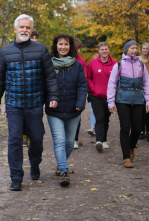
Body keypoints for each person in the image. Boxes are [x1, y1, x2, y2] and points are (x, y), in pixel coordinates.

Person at [0, 15, 59, 191]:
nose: (24, 30)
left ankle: (35, 164)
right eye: (21, 27)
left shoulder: (41, 49)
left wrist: (53, 96)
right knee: (14, 139)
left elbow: (50, 76)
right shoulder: (5, 51)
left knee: (36, 139)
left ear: (31, 30)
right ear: (15, 29)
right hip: (14, 104)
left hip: (35, 103)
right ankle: (16, 177)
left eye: (28, 28)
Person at [46, 34, 87, 186]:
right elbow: (44, 85)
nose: (63, 47)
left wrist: (80, 102)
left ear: (71, 47)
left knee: (69, 143)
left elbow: (83, 85)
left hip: (73, 109)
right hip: (54, 111)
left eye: (66, 44)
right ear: (55, 46)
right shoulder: (48, 64)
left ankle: (60, 163)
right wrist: (49, 99)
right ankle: (64, 171)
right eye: (60, 44)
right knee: (59, 140)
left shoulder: (76, 65)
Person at [107, 39, 149, 168]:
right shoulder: (119, 65)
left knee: (137, 128)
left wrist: (148, 100)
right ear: (126, 49)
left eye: (136, 48)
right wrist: (111, 102)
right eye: (132, 48)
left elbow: (146, 84)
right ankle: (126, 157)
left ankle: (132, 146)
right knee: (125, 127)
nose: (134, 50)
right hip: (123, 100)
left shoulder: (141, 65)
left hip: (138, 99)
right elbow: (112, 84)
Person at [86, 42, 117, 152]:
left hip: (109, 97)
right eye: (102, 49)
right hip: (96, 96)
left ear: (109, 50)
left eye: (106, 49)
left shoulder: (115, 64)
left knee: (106, 119)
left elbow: (117, 80)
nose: (104, 51)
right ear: (98, 51)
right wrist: (92, 88)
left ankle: (104, 140)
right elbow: (88, 77)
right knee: (100, 117)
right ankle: (99, 141)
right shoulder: (92, 63)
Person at [22, 29, 41, 148]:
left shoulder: (41, 51)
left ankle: (32, 136)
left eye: (35, 38)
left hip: (36, 90)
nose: (34, 40)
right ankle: (24, 135)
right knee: (23, 116)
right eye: (32, 38)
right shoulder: (22, 50)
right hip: (23, 89)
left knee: (34, 116)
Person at [138, 42, 149, 142]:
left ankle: (148, 131)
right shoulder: (137, 60)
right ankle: (141, 130)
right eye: (143, 48)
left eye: (147, 48)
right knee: (140, 109)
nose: (145, 50)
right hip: (139, 88)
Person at [73, 38, 88, 149]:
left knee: (77, 115)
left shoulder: (81, 61)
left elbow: (84, 77)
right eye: (76, 48)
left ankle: (75, 139)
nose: (78, 51)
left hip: (77, 92)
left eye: (79, 49)